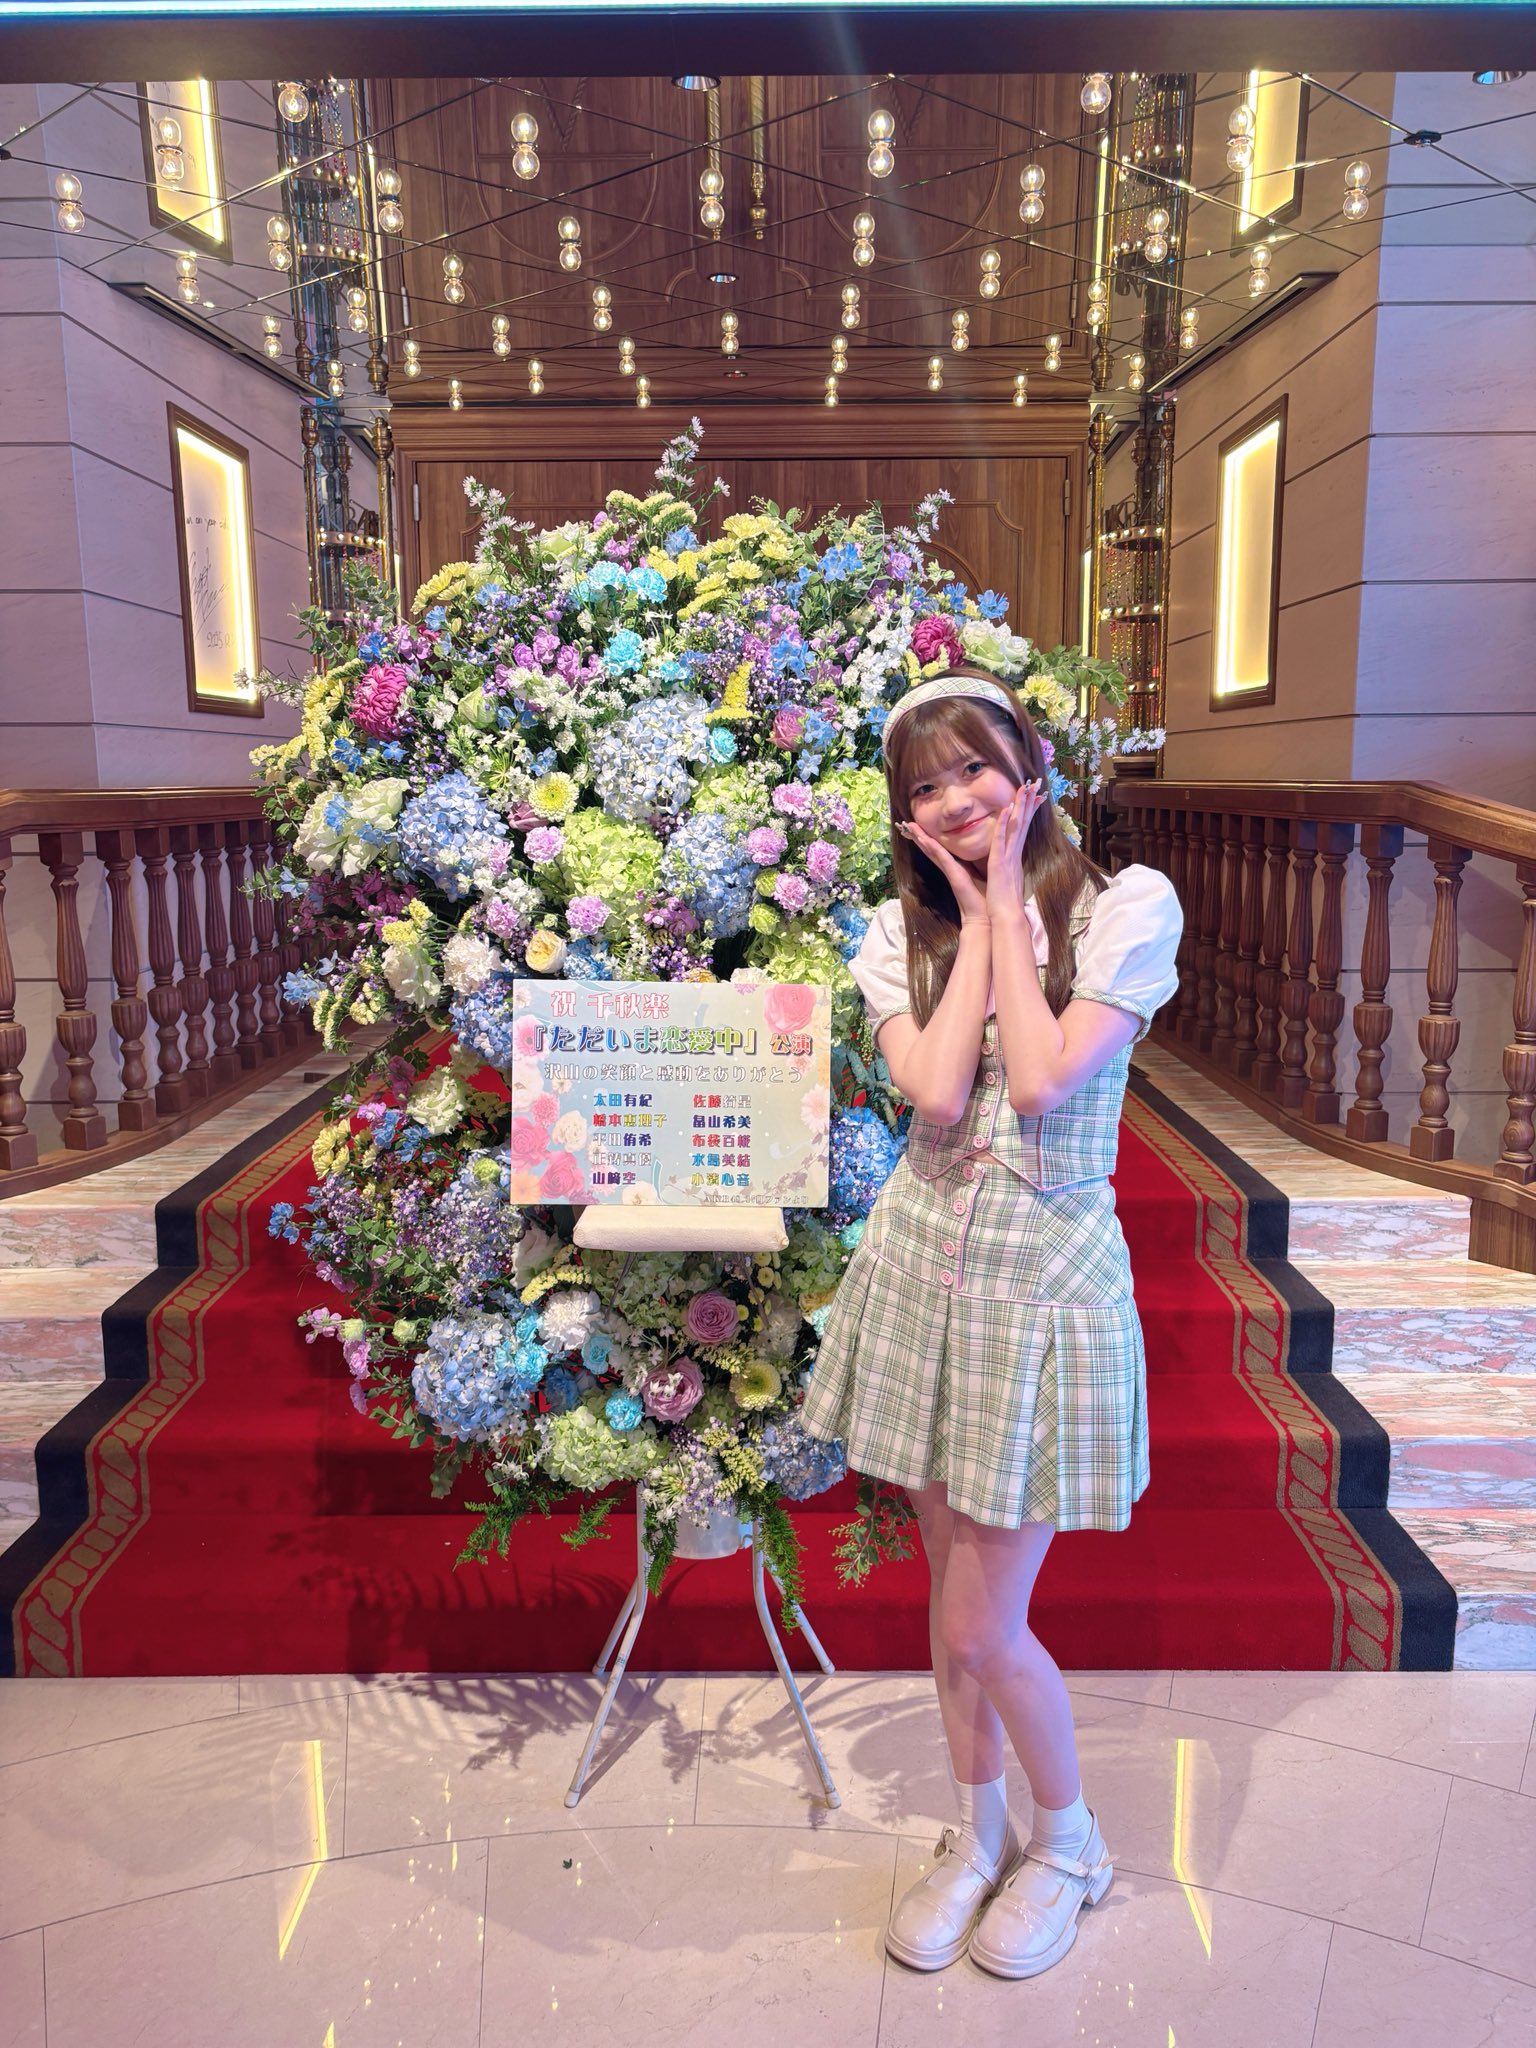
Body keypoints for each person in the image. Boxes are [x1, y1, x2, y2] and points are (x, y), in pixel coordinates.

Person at [799, 668, 1182, 1981]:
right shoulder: (891, 933)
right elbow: (938, 1094)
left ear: (1032, 766)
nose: (958, 797)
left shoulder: (1127, 908)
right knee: (947, 1591)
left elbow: (1038, 1079)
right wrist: (971, 917)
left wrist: (1011, 901)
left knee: (980, 1622)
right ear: (904, 817)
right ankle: (977, 1836)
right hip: (919, 1278)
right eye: (927, 785)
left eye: (976, 766)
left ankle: (1071, 1843)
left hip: (1043, 1289)